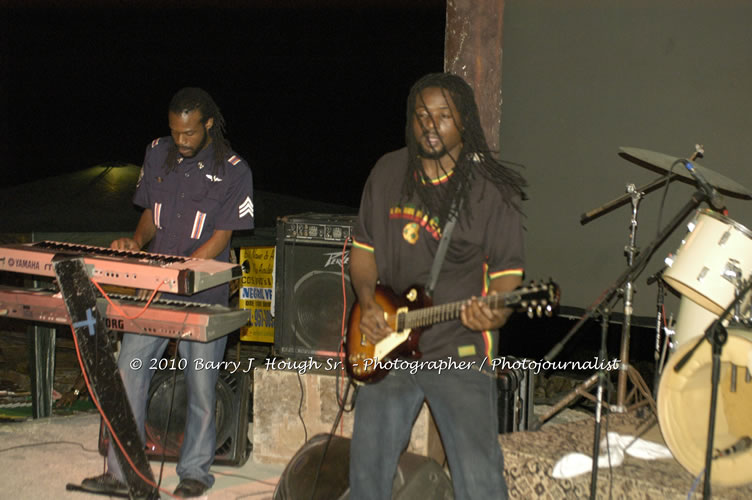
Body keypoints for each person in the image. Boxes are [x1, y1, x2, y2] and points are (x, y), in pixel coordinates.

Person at [348, 72, 527, 500]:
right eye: (422, 116)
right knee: (367, 472)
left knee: (478, 477)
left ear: (464, 121)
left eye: (444, 116)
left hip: (458, 348)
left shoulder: (491, 190)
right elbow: (363, 250)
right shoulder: (388, 170)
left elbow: (506, 274)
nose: (431, 125)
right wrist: (367, 302)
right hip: (388, 344)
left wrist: (495, 310)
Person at [83, 87, 254, 498]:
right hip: (154, 289)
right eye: (176, 132)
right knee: (129, 372)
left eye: (191, 133)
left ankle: (195, 472)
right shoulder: (157, 152)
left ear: (209, 124)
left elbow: (222, 235)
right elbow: (150, 214)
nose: (182, 140)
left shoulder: (234, 170)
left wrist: (188, 269)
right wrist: (136, 243)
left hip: (203, 290)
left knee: (200, 386)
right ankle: (123, 471)